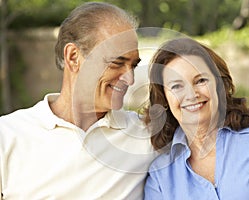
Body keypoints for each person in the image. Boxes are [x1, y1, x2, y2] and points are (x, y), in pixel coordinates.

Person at [0, 2, 157, 199]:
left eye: (133, 65)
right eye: (117, 63)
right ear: (73, 57)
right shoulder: (6, 136)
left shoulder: (146, 136)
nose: (130, 79)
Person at [143, 37, 249, 199]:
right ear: (164, 98)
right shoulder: (160, 177)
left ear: (220, 86)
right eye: (176, 86)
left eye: (201, 80)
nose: (191, 94)